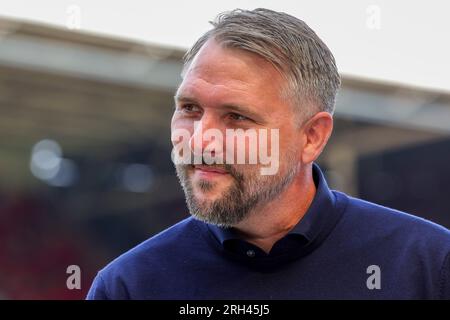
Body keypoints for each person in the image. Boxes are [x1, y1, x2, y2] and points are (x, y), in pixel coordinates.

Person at [87, 8, 450, 299]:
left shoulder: (430, 267)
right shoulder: (129, 286)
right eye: (190, 109)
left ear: (312, 137)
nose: (199, 141)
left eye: (237, 117)